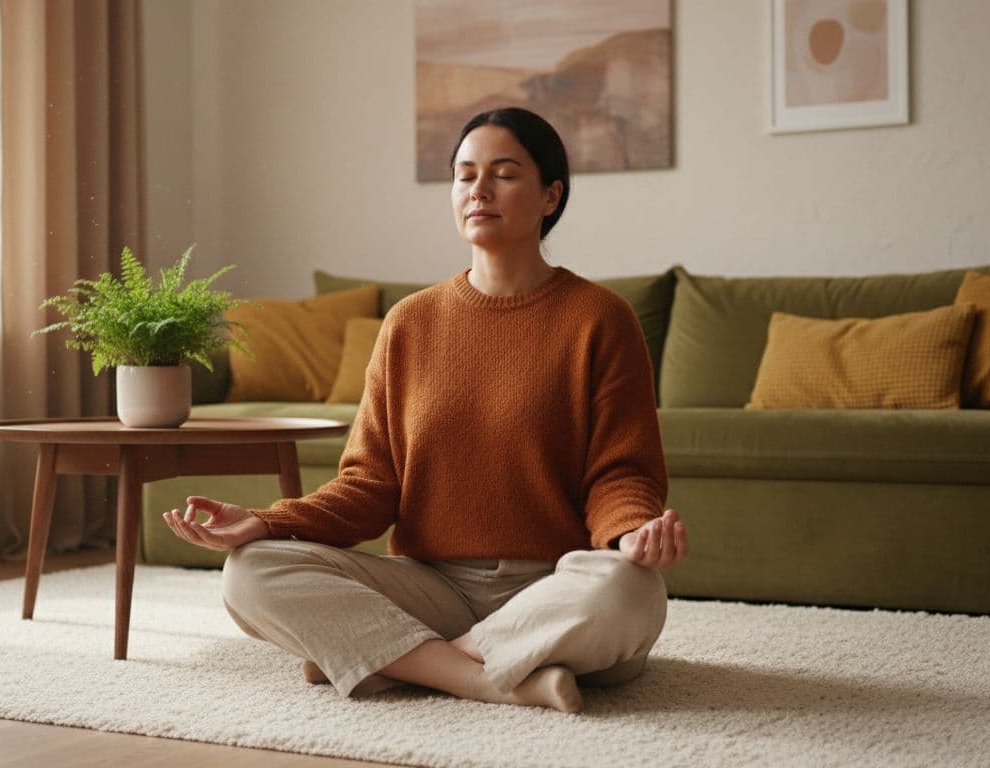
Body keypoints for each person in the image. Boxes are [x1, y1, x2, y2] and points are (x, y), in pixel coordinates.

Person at [163, 106, 688, 714]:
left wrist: (631, 534)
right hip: (430, 583)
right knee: (249, 573)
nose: (479, 190)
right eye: (465, 175)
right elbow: (371, 484)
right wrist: (268, 521)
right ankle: (489, 675)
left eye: (504, 173)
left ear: (551, 195)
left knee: (631, 590)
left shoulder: (601, 318)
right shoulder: (410, 322)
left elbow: (620, 471)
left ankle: (400, 658)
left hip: (552, 584)